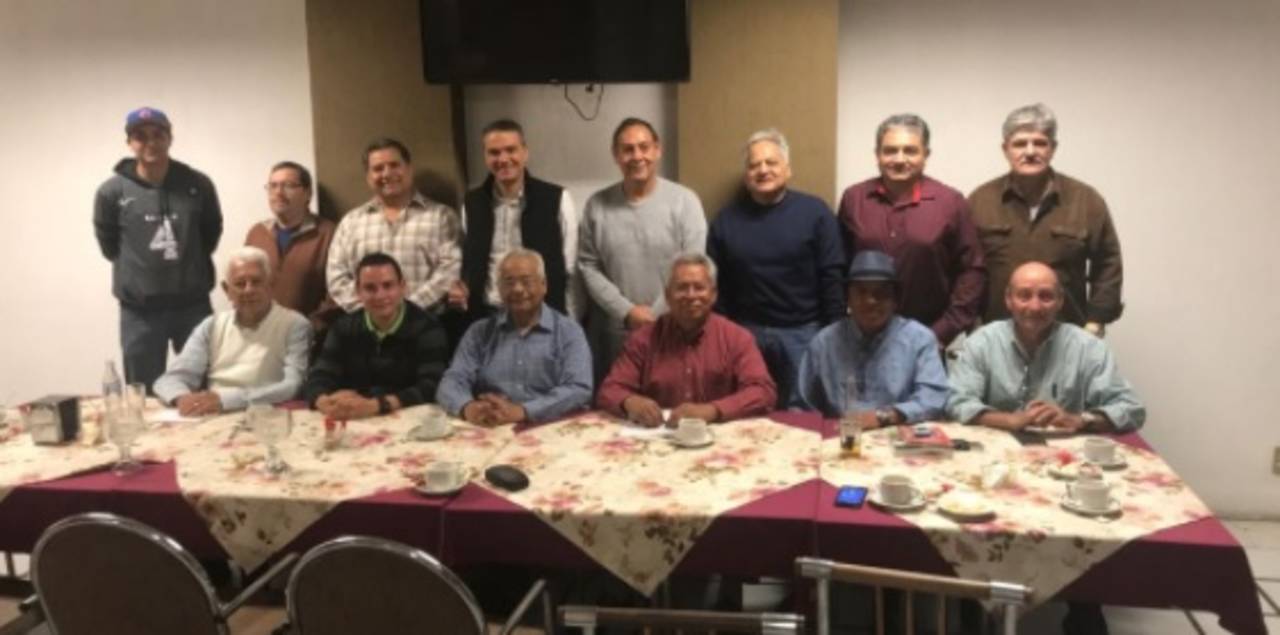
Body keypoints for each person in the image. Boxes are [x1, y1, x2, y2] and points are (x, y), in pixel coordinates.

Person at [708, 128, 845, 408]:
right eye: (754, 165)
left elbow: (832, 276)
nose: (763, 170)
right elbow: (716, 286)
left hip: (804, 334)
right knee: (748, 411)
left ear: (787, 169)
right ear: (746, 175)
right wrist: (725, 336)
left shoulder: (816, 213)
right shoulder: (725, 220)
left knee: (802, 414)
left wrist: (834, 335)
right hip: (746, 335)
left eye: (771, 162)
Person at [93, 107, 223, 391]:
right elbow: (109, 245)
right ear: (130, 143)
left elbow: (210, 234)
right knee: (144, 392)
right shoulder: (111, 192)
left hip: (192, 306)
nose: (150, 142)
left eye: (157, 135)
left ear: (169, 138)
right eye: (140, 136)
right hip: (139, 312)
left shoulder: (198, 184)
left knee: (203, 388)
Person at [968, 103, 1125, 335]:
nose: (1030, 151)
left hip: (1068, 335)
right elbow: (965, 268)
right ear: (1005, 149)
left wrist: (1096, 321)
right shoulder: (980, 201)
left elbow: (1108, 264)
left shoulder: (1086, 200)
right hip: (996, 336)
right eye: (1020, 144)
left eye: (1040, 143)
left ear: (1053, 148)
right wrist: (971, 321)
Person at [837, 113, 985, 348]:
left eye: (910, 151)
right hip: (865, 334)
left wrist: (942, 331)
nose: (899, 159)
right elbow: (839, 266)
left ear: (926, 154)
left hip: (928, 335)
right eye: (890, 151)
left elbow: (972, 271)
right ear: (877, 154)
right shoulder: (854, 199)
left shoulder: (950, 202)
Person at [579, 117, 707, 383]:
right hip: (616, 333)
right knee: (617, 402)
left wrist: (655, 315)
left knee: (673, 402)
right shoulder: (597, 206)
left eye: (644, 147)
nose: (637, 156)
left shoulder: (685, 202)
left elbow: (694, 265)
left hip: (674, 329)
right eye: (628, 149)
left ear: (657, 150)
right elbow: (588, 266)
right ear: (616, 155)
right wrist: (627, 312)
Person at [947, 262, 1145, 433]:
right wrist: (1009, 420)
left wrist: (1078, 420)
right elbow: (957, 402)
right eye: (1024, 296)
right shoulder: (981, 342)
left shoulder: (1089, 348)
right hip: (997, 451)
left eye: (1046, 296)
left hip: (1067, 454)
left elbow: (1131, 409)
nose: (1035, 306)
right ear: (1008, 300)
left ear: (1060, 301)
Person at [597, 253, 776, 426]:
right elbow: (610, 390)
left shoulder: (737, 338)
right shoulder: (643, 339)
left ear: (713, 294)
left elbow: (763, 392)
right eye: (682, 288)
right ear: (667, 296)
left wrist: (712, 410)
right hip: (658, 437)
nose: (691, 295)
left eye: (699, 287)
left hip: (719, 437)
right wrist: (629, 402)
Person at [449, 119, 581, 326]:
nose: (503, 159)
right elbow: (471, 262)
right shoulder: (472, 203)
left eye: (511, 150)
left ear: (525, 152)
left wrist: (568, 321)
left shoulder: (557, 199)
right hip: (488, 314)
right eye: (494, 152)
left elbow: (569, 267)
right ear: (485, 156)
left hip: (541, 315)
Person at [437, 249, 592, 425]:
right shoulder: (479, 332)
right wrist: (468, 407)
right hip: (490, 425)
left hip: (547, 427)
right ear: (499, 289)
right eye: (509, 282)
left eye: (526, 281)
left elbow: (579, 388)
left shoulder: (568, 332)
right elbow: (452, 381)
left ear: (544, 285)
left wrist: (523, 411)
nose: (517, 289)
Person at [153, 247, 310, 414]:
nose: (249, 290)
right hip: (213, 415)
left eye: (256, 282)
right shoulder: (211, 325)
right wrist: (183, 398)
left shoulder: (295, 325)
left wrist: (226, 400)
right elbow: (172, 379)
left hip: (266, 415)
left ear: (270, 285)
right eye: (240, 284)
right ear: (226, 290)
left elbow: (293, 386)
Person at [797, 251, 947, 424]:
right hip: (840, 433)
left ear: (895, 300)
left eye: (881, 293)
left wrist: (885, 416)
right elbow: (802, 406)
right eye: (861, 292)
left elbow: (933, 400)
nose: (870, 301)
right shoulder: (823, 343)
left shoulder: (920, 339)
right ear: (848, 298)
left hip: (898, 433)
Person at [303, 252, 449, 420]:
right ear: (358, 291)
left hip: (408, 420)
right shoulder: (342, 327)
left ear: (402, 287)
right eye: (370, 288)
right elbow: (319, 375)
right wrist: (325, 402)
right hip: (352, 417)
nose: (380, 295)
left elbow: (432, 385)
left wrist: (376, 405)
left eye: (388, 286)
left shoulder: (427, 328)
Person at [326, 138, 462, 314]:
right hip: (365, 324)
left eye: (394, 165)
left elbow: (449, 271)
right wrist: (373, 311)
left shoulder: (442, 217)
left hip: (426, 322)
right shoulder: (350, 223)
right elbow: (336, 277)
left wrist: (405, 311)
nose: (387, 173)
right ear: (368, 177)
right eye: (378, 168)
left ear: (409, 169)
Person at [244, 161, 337, 331]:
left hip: (310, 336)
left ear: (307, 193)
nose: (278, 193)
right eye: (273, 186)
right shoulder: (257, 234)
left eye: (288, 186)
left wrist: (310, 327)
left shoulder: (328, 234)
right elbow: (244, 284)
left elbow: (337, 293)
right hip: (260, 333)